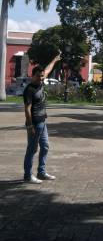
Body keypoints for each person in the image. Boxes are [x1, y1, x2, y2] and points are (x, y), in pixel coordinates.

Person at [23, 54, 60, 184]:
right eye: (38, 75)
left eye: (42, 76)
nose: (40, 78)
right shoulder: (30, 90)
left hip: (43, 122)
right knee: (32, 149)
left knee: (45, 147)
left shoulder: (41, 83)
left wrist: (55, 59)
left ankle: (41, 172)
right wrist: (29, 126)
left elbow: (48, 69)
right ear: (33, 75)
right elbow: (27, 109)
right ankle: (28, 176)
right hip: (34, 124)